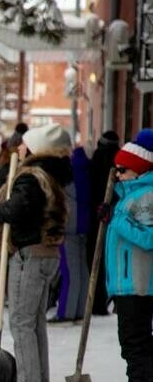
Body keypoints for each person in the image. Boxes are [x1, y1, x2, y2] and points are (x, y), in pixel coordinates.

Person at [0, 124, 73, 382]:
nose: (19, 149)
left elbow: (17, 209)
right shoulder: (51, 176)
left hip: (30, 254)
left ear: (35, 148)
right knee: (35, 321)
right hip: (47, 253)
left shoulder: (31, 177)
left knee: (22, 322)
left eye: (25, 145)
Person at [100, 132, 153, 382]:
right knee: (137, 344)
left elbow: (148, 238)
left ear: (140, 168)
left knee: (135, 345)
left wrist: (116, 220)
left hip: (139, 283)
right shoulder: (132, 195)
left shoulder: (146, 196)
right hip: (129, 283)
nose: (117, 175)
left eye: (123, 169)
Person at [51, 143, 91, 322]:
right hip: (84, 225)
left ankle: (66, 312)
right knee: (82, 271)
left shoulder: (68, 173)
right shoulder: (86, 169)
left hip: (70, 226)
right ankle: (81, 310)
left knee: (69, 272)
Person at [88, 130, 121, 315]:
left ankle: (99, 301)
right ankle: (112, 298)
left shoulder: (98, 158)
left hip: (100, 214)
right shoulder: (118, 160)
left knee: (98, 260)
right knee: (112, 259)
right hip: (113, 213)